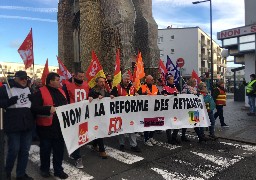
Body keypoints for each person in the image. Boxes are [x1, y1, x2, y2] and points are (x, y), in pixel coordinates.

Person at [31, 72, 69, 179]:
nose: (59, 82)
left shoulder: (61, 91)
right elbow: (34, 108)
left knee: (59, 150)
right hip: (46, 127)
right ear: (51, 81)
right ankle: (44, 169)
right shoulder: (40, 92)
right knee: (45, 150)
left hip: (60, 127)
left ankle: (58, 170)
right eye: (57, 80)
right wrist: (48, 109)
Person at [0, 71, 34, 180]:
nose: (24, 80)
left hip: (27, 124)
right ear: (15, 78)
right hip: (13, 124)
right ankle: (7, 173)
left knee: (25, 151)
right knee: (14, 149)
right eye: (21, 78)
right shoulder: (6, 88)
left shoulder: (28, 88)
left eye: (26, 78)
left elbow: (32, 105)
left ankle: (21, 174)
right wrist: (8, 102)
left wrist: (34, 99)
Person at [62, 71, 90, 168]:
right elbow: (62, 98)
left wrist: (93, 97)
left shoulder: (86, 85)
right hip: (72, 114)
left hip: (83, 114)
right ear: (74, 76)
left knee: (80, 134)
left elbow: (90, 94)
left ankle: (73, 152)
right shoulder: (67, 86)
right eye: (80, 76)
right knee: (75, 135)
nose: (81, 78)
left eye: (83, 76)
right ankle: (77, 157)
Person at [110, 73, 141, 152]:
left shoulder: (133, 87)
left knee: (132, 128)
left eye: (128, 79)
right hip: (121, 112)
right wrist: (112, 96)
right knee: (121, 128)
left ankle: (133, 145)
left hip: (131, 112)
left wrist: (137, 94)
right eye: (126, 79)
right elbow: (111, 96)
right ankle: (122, 144)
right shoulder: (117, 87)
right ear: (122, 79)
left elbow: (135, 94)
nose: (127, 81)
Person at [88, 76, 108, 159]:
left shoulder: (105, 90)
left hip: (103, 114)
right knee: (99, 131)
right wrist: (95, 98)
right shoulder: (92, 91)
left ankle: (94, 144)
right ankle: (102, 150)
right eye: (100, 82)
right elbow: (89, 100)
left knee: (99, 130)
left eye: (103, 81)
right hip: (95, 115)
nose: (103, 83)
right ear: (97, 83)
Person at [137, 75, 160, 146]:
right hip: (146, 109)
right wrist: (143, 94)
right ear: (147, 80)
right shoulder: (142, 87)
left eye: (153, 79)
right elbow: (138, 95)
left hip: (154, 109)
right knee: (147, 124)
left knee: (154, 123)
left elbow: (159, 96)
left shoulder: (155, 87)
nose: (153, 81)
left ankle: (151, 137)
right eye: (151, 80)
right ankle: (146, 139)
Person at [161, 75, 180, 145]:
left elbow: (178, 95)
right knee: (169, 124)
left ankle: (174, 137)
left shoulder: (175, 87)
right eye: (171, 79)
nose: (173, 80)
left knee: (177, 124)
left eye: (173, 79)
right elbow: (163, 94)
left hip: (175, 108)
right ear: (168, 80)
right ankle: (169, 139)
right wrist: (170, 94)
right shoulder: (165, 87)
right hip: (168, 109)